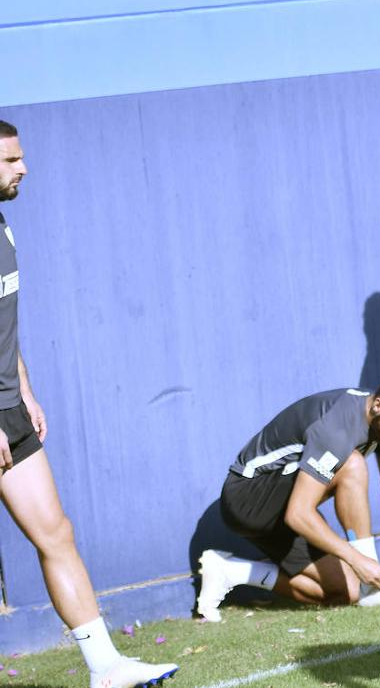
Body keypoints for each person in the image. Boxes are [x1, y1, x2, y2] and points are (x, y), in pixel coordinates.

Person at [0, 120, 178, 688]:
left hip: (7, 407)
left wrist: (23, 390)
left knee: (56, 533)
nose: (22, 168)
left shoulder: (1, 223)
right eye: (9, 161)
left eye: (20, 157)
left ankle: (106, 667)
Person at [196, 372, 380, 621]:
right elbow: (299, 513)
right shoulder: (338, 428)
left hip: (281, 513)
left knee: (348, 591)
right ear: (378, 406)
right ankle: (373, 587)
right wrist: (358, 560)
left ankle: (232, 572)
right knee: (352, 464)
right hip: (247, 498)